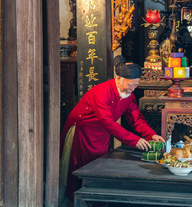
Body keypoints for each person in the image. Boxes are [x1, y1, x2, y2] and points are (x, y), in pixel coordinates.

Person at [59, 55, 165, 202]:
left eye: (136, 85)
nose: (133, 89)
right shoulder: (102, 92)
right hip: (83, 131)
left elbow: (136, 119)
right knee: (80, 169)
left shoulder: (129, 95)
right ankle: (76, 201)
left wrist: (151, 135)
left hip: (102, 133)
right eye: (130, 85)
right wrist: (134, 140)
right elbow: (107, 121)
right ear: (119, 78)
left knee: (98, 167)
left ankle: (97, 201)